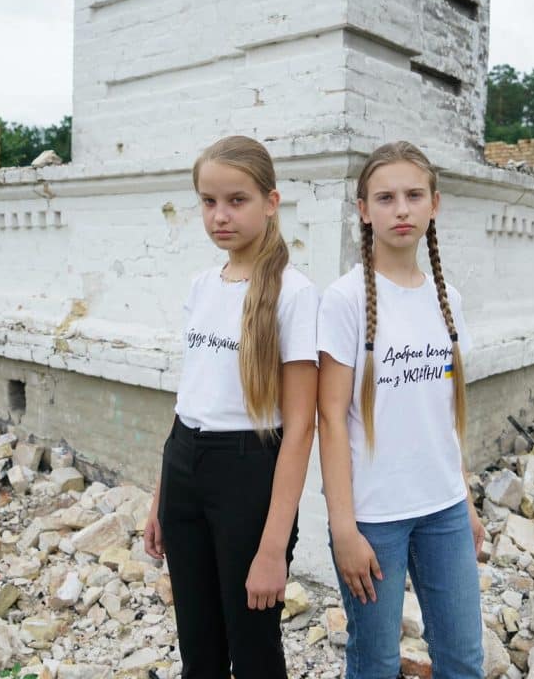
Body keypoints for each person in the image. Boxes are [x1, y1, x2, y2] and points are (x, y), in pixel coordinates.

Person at [143, 135, 319, 679]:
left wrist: (273, 549)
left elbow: (300, 428)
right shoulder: (201, 286)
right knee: (198, 648)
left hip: (248, 475)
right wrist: (161, 497)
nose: (220, 215)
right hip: (184, 465)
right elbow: (190, 399)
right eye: (208, 201)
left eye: (237, 200)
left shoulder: (293, 293)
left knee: (254, 648)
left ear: (271, 202)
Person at [317, 141, 485, 679]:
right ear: (364, 210)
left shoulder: (448, 298)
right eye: (385, 198)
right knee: (376, 662)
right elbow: (330, 419)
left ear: (435, 204)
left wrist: (466, 500)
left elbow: (445, 414)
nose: (402, 209)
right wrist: (344, 528)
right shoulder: (344, 300)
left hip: (445, 509)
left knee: (463, 659)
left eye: (414, 195)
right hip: (374, 519)